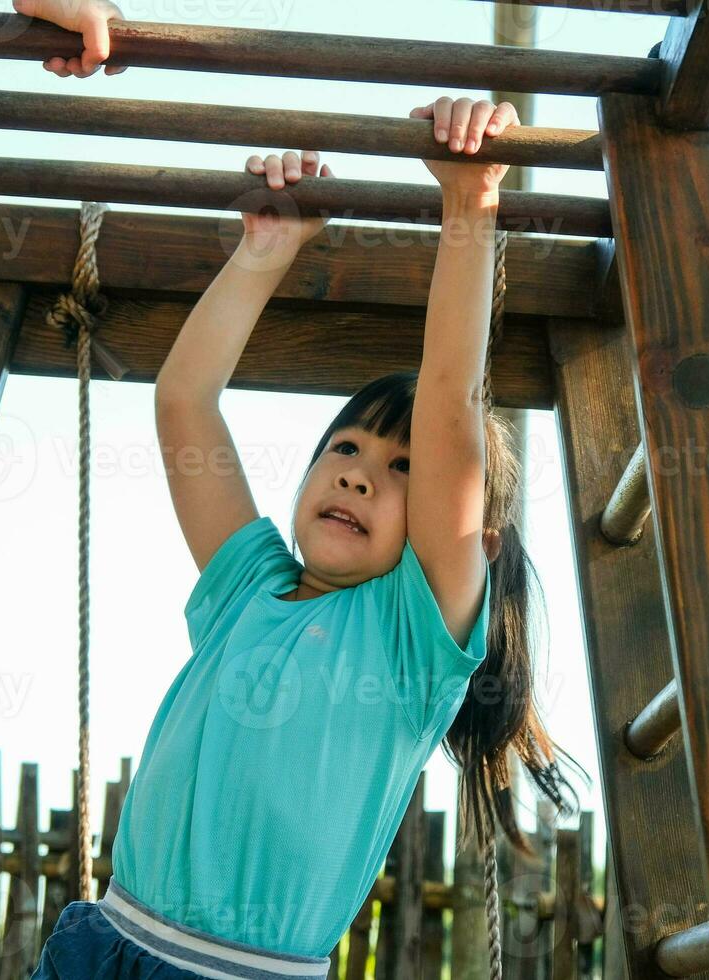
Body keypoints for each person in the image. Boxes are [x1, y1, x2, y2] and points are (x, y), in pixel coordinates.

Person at [28, 84, 584, 980]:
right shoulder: (249, 585)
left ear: (465, 530)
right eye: (348, 446)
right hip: (102, 946)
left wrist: (469, 205)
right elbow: (184, 400)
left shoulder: (412, 635)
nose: (360, 470)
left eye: (404, 469)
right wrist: (265, 251)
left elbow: (449, 398)